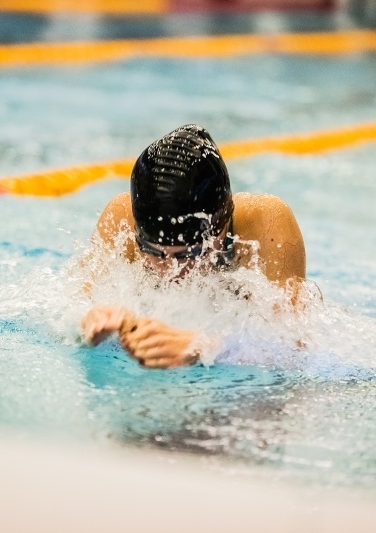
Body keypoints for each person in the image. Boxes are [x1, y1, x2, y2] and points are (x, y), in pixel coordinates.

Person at [80, 124, 306, 369]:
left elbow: (290, 343)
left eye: (190, 253)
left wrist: (206, 347)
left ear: (224, 220)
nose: (170, 269)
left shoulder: (264, 224)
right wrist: (91, 318)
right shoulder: (122, 219)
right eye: (153, 251)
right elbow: (71, 302)